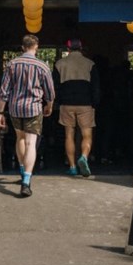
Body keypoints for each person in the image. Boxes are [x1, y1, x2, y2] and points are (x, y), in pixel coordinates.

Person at [0, 34, 55, 197]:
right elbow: (50, 91)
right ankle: (26, 181)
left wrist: (1, 112)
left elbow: (4, 91)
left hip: (15, 108)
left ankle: (22, 170)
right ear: (36, 47)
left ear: (22, 47)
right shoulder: (42, 66)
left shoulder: (12, 64)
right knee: (31, 143)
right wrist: (49, 105)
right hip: (34, 109)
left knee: (20, 139)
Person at [53, 38, 99, 177]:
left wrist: (58, 102)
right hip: (85, 104)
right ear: (81, 48)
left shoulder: (60, 64)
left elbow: (54, 86)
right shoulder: (90, 64)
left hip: (67, 104)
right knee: (87, 135)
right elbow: (96, 87)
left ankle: (72, 166)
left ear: (68, 49)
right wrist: (94, 103)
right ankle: (84, 157)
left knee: (69, 135)